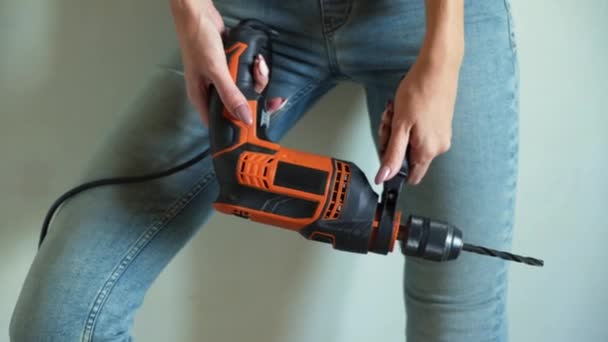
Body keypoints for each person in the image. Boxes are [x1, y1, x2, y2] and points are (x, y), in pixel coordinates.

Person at [10, 0, 520, 341]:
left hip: (427, 22)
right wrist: (189, 11)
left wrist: (444, 54)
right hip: (256, 18)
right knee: (58, 318)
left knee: (458, 323)